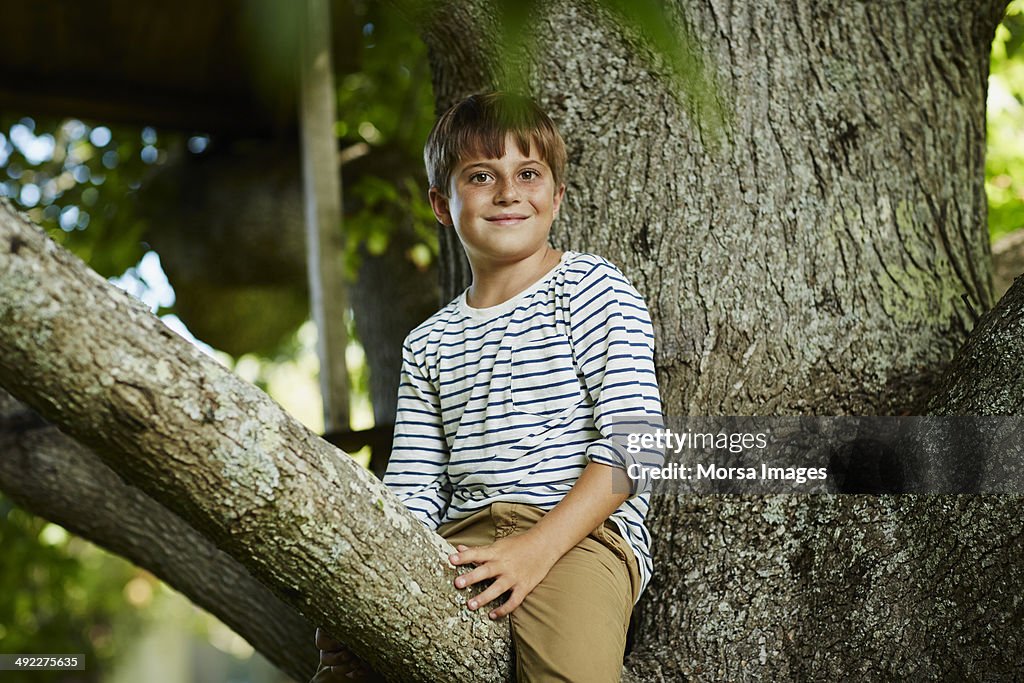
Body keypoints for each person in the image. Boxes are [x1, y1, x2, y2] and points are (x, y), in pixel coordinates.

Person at [312, 91, 663, 682]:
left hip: (579, 540)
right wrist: (367, 583)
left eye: (528, 173)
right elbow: (414, 489)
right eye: (481, 176)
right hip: (457, 543)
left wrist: (536, 549)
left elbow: (639, 449)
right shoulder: (428, 341)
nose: (508, 192)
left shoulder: (591, 289)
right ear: (442, 205)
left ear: (556, 196)